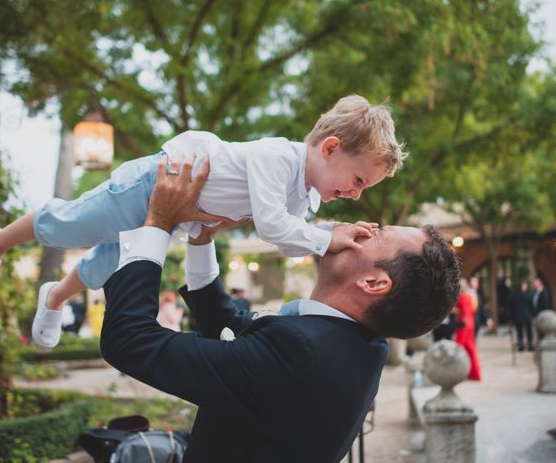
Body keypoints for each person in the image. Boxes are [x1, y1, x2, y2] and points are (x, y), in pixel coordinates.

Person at [0, 95, 405, 349]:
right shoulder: (278, 157)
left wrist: (333, 234)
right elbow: (272, 227)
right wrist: (325, 238)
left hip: (173, 216)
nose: (356, 194)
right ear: (329, 149)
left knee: (107, 265)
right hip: (152, 185)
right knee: (70, 225)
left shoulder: (304, 194)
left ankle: (55, 297)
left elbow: (291, 243)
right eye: (358, 180)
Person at [99, 155, 460, 462]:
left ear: (375, 283)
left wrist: (157, 222)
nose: (359, 226)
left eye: (376, 234)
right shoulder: (359, 344)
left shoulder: (302, 354)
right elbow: (232, 330)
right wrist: (202, 236)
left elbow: (130, 341)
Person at [454, 278, 481, 381]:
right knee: (471, 349)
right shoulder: (469, 297)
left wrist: (454, 311)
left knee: (459, 349)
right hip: (471, 324)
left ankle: (459, 373)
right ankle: (475, 373)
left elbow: (464, 312)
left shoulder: (462, 298)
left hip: (464, 325)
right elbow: (472, 310)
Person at [509, 281, 534, 351]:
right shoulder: (529, 295)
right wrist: (533, 315)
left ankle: (521, 346)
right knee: (528, 332)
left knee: (520, 332)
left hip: (518, 316)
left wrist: (511, 318)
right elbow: (531, 306)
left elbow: (511, 308)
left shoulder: (514, 296)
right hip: (527, 316)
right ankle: (529, 345)